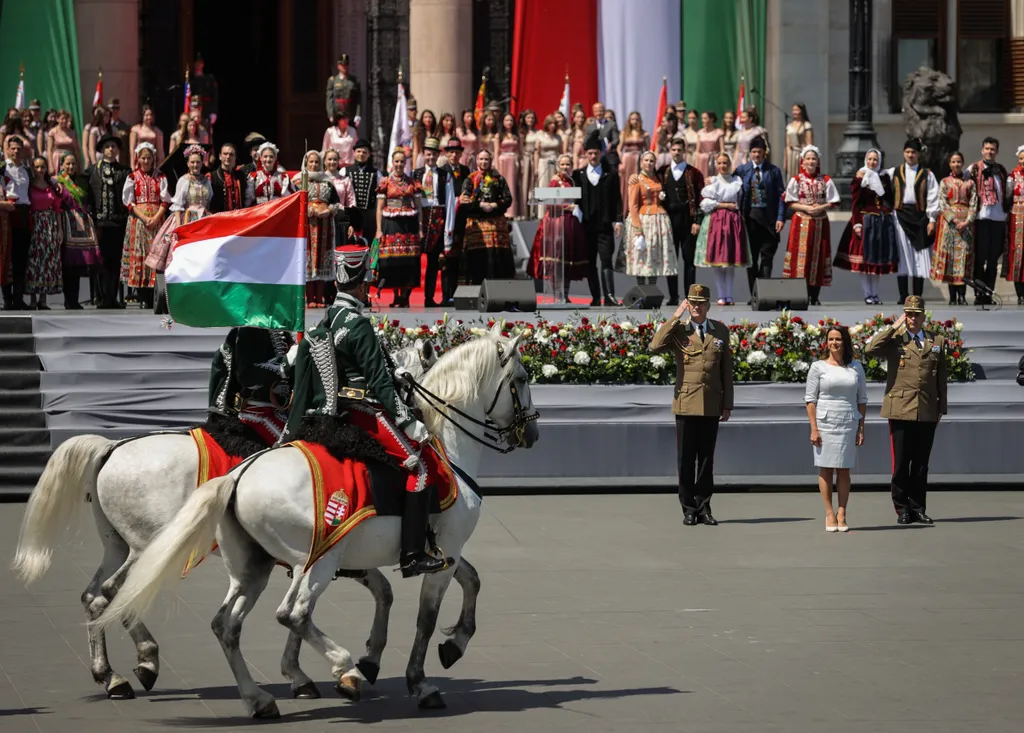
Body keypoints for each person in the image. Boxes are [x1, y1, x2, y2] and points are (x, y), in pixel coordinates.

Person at [282, 243, 447, 578]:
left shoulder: (325, 321)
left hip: (332, 413)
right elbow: (379, 382)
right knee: (421, 468)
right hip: (363, 410)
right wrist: (407, 421)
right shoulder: (357, 324)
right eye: (368, 283)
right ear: (360, 284)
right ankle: (413, 554)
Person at [649, 284, 733, 525]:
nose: (696, 307)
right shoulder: (680, 330)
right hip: (686, 402)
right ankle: (688, 508)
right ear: (687, 304)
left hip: (711, 402)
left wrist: (727, 404)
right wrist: (675, 316)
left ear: (708, 305)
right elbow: (655, 345)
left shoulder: (720, 331)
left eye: (700, 303)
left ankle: (704, 507)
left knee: (707, 460)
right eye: (692, 302)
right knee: (686, 459)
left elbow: (726, 369)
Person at [864, 296, 947, 525]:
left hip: (927, 408)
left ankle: (918, 508)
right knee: (901, 462)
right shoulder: (895, 340)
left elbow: (941, 376)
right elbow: (870, 349)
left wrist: (942, 407)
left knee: (921, 463)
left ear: (923, 316)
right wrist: (893, 327)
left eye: (915, 314)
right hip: (900, 408)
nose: (912, 318)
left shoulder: (936, 340)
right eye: (908, 314)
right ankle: (902, 508)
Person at [804, 325, 867, 532]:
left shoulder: (856, 367)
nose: (834, 343)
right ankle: (829, 513)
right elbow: (810, 400)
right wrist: (814, 428)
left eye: (838, 339)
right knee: (826, 468)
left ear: (845, 341)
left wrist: (861, 427)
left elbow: (862, 400)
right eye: (830, 339)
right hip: (825, 423)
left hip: (848, 422)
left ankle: (842, 512)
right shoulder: (818, 367)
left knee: (844, 469)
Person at [148, 144, 213, 313]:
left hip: (203, 221)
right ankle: (177, 296)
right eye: (192, 162)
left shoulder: (206, 180)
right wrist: (179, 228)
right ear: (187, 163)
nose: (195, 165)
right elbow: (177, 206)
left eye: (198, 162)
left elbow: (209, 200)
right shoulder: (184, 181)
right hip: (187, 219)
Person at [209, 327, 294, 447]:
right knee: (291, 446)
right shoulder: (252, 328)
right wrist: (286, 364)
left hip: (280, 412)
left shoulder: (279, 329)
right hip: (256, 413)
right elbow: (248, 375)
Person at [834, 149, 899, 305]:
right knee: (864, 262)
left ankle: (875, 294)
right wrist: (857, 224)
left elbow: (889, 199)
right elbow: (856, 203)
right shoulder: (860, 178)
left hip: (881, 222)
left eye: (875, 159)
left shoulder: (884, 177)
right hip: (866, 221)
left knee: (876, 261)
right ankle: (867, 293)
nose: (872, 162)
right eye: (869, 159)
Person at [528, 153, 590, 300]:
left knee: (567, 259)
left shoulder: (573, 181)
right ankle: (557, 294)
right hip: (555, 221)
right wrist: (567, 206)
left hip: (569, 223)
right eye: (562, 164)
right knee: (555, 260)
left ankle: (565, 294)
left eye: (567, 164)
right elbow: (549, 202)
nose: (565, 167)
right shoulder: (554, 181)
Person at [783, 145, 839, 305]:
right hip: (801, 221)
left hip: (820, 222)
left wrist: (820, 207)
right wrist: (806, 208)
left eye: (813, 158)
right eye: (808, 158)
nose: (811, 161)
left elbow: (834, 201)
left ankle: (815, 295)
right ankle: (800, 294)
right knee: (800, 256)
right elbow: (789, 201)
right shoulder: (796, 179)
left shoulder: (826, 180)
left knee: (819, 256)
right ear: (803, 161)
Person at [572, 130, 623, 305]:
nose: (593, 156)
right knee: (590, 262)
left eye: (595, 153)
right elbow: (573, 198)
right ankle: (595, 297)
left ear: (600, 153)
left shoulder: (611, 174)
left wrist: (618, 220)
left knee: (606, 260)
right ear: (585, 154)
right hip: (586, 226)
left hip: (605, 225)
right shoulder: (578, 175)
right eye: (590, 153)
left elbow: (617, 199)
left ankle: (609, 296)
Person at [886, 139, 939, 304]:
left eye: (914, 152)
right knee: (902, 256)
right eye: (908, 151)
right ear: (903, 152)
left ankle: (917, 295)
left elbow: (933, 197)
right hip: (900, 216)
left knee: (919, 257)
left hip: (920, 217)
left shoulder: (927, 174)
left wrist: (932, 220)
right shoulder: (893, 172)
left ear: (919, 154)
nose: (911, 155)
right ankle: (903, 295)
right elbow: (877, 183)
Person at [733, 136, 785, 298]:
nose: (757, 155)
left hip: (768, 219)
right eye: (754, 152)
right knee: (752, 259)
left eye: (760, 152)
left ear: (765, 153)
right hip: (750, 219)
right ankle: (754, 295)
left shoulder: (773, 171)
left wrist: (780, 218)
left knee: (767, 257)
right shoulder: (743, 170)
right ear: (750, 153)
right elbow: (730, 185)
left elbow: (781, 196)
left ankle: (765, 294)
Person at [121, 142, 171, 309]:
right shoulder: (132, 177)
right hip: (139, 222)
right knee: (140, 255)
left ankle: (155, 294)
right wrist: (143, 216)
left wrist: (157, 217)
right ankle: (142, 295)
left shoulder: (161, 176)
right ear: (138, 158)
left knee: (155, 254)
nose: (146, 161)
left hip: (157, 221)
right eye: (143, 158)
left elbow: (165, 200)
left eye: (149, 158)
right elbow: (129, 201)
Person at [84, 133, 130, 308]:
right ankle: (101, 297)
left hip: (118, 223)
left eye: (114, 146)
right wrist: (91, 219)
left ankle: (113, 297)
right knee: (100, 261)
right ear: (102, 150)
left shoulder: (124, 172)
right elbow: (86, 196)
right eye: (107, 146)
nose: (111, 149)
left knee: (116, 261)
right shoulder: (92, 171)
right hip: (99, 223)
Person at [697, 152, 750, 305]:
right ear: (716, 165)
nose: (722, 166)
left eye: (725, 163)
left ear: (730, 164)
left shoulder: (736, 181)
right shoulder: (713, 182)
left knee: (730, 261)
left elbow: (741, 201)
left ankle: (729, 294)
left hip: (733, 221)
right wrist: (724, 205)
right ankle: (721, 295)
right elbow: (705, 204)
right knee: (719, 261)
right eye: (719, 163)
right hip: (717, 221)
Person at [657, 138, 704, 303]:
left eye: (679, 150)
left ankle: (690, 295)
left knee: (689, 260)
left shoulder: (694, 173)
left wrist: (697, 221)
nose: (676, 153)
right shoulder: (662, 172)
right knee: (671, 261)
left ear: (685, 152)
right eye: (674, 150)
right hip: (668, 223)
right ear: (670, 151)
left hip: (688, 222)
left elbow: (700, 199)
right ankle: (673, 297)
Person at [458, 148, 514, 285]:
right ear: (477, 161)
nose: (484, 162)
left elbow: (508, 199)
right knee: (478, 258)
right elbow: (465, 201)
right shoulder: (470, 179)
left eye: (486, 159)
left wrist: (495, 205)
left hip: (496, 224)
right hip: (477, 224)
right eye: (481, 159)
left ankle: (499, 289)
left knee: (498, 258)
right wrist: (481, 205)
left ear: (491, 161)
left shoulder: (499, 179)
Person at [374, 148, 422, 306]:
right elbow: (380, 208)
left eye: (402, 161)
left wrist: (420, 228)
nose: (399, 164)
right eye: (397, 161)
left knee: (409, 261)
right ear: (392, 163)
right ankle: (396, 295)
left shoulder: (412, 182)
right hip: (391, 225)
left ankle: (406, 296)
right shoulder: (385, 182)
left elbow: (419, 207)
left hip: (409, 225)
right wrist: (379, 229)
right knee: (392, 261)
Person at [25, 156, 74, 309]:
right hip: (35, 224)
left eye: (43, 167)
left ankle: (43, 299)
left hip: (50, 225)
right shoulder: (29, 185)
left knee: (47, 261)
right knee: (34, 261)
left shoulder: (51, 186)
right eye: (37, 167)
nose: (40, 170)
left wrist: (59, 230)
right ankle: (33, 299)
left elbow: (57, 209)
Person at [294, 149, 342, 307]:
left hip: (325, 225)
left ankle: (320, 298)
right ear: (306, 163)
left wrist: (329, 210)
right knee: (308, 259)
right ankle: (310, 298)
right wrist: (310, 210)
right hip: (306, 224)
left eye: (316, 162)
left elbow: (336, 202)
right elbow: (294, 202)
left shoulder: (327, 181)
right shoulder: (299, 181)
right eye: (311, 162)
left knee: (321, 259)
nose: (314, 165)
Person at [966, 137, 1010, 305]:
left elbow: (1007, 191)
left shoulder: (1001, 170)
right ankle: (979, 293)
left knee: (993, 260)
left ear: (996, 152)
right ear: (982, 150)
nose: (989, 152)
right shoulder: (974, 169)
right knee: (980, 258)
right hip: (981, 218)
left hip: (998, 219)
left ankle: (988, 294)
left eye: (992, 149)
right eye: (987, 149)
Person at [623, 150, 676, 287]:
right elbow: (633, 206)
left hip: (659, 219)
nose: (649, 163)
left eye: (651, 161)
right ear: (641, 163)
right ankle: (641, 290)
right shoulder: (636, 180)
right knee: (642, 256)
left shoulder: (658, 177)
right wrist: (637, 229)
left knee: (654, 255)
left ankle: (652, 289)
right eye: (646, 160)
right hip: (643, 219)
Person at [412, 137, 455, 307]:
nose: (430, 157)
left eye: (433, 154)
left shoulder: (445, 175)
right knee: (414, 260)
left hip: (438, 216)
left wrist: (448, 229)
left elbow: (450, 202)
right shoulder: (416, 174)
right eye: (428, 154)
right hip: (419, 216)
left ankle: (429, 298)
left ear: (438, 155)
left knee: (433, 261)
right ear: (424, 154)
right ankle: (404, 296)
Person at [931, 151, 977, 306]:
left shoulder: (970, 183)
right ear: (949, 164)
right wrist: (954, 219)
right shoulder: (944, 182)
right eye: (953, 162)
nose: (956, 164)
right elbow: (943, 203)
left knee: (963, 258)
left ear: (962, 163)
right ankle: (952, 296)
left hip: (966, 225)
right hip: (949, 224)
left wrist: (967, 221)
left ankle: (962, 296)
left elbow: (974, 204)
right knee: (951, 259)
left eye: (959, 162)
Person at [1, 135, 30, 310]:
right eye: (12, 148)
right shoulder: (3, 169)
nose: (16, 151)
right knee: (6, 257)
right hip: (7, 213)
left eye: (19, 148)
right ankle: (7, 299)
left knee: (21, 257)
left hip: (24, 213)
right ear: (7, 149)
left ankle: (19, 298)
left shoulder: (28, 170)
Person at [442, 139, 471, 304]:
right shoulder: (442, 171)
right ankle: (446, 295)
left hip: (462, 219)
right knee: (447, 260)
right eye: (451, 152)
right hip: (447, 220)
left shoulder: (466, 170)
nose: (454, 155)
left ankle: (461, 294)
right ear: (446, 154)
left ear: (461, 154)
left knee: (461, 259)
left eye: (457, 152)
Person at [346, 139, 382, 241]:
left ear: (369, 154)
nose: (361, 154)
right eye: (359, 151)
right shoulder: (345, 171)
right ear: (354, 153)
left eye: (364, 152)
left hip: (369, 215)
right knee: (351, 242)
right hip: (352, 214)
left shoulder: (376, 173)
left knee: (369, 241)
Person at [244, 142, 291, 207]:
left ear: (275, 158)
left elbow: (287, 200)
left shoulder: (283, 177)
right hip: (259, 213)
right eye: (265, 156)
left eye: (271, 157)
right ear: (261, 158)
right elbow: (248, 201)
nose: (268, 159)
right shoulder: (253, 177)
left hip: (276, 212)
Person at [1006, 145, 1024, 305]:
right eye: (1021, 159)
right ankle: (1020, 293)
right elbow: (1008, 196)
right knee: (1018, 254)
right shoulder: (1013, 176)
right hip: (1017, 218)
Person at [325, 53, 362, 129]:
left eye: (346, 64)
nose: (344, 67)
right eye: (342, 64)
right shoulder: (333, 80)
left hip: (350, 115)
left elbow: (358, 99)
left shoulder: (354, 81)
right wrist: (330, 114)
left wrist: (358, 115)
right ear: (338, 66)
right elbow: (329, 99)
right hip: (337, 115)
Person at [207, 143, 243, 213]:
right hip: (219, 219)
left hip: (238, 218)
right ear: (220, 156)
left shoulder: (240, 176)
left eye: (231, 154)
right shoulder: (211, 176)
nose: (228, 157)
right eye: (225, 154)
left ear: (235, 157)